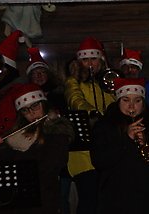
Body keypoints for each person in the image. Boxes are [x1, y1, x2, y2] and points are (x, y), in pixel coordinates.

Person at [0, 83, 74, 214]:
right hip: (14, 201)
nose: (32, 113)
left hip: (42, 200)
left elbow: (45, 167)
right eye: (25, 110)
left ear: (44, 104)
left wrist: (4, 151)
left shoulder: (57, 131)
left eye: (35, 106)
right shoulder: (16, 134)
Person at [90, 77, 149, 214]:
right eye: (126, 100)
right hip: (117, 199)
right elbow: (99, 161)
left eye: (137, 101)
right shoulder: (104, 126)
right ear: (118, 101)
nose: (132, 106)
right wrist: (126, 139)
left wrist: (148, 145)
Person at [64, 36, 115, 214]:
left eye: (93, 59)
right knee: (89, 201)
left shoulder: (107, 82)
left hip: (106, 150)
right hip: (84, 155)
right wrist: (92, 112)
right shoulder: (73, 81)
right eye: (85, 60)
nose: (90, 63)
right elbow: (75, 99)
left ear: (100, 60)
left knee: (106, 202)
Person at [119, 48, 149, 117]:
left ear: (139, 69)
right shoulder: (116, 88)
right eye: (126, 68)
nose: (129, 70)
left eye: (133, 67)